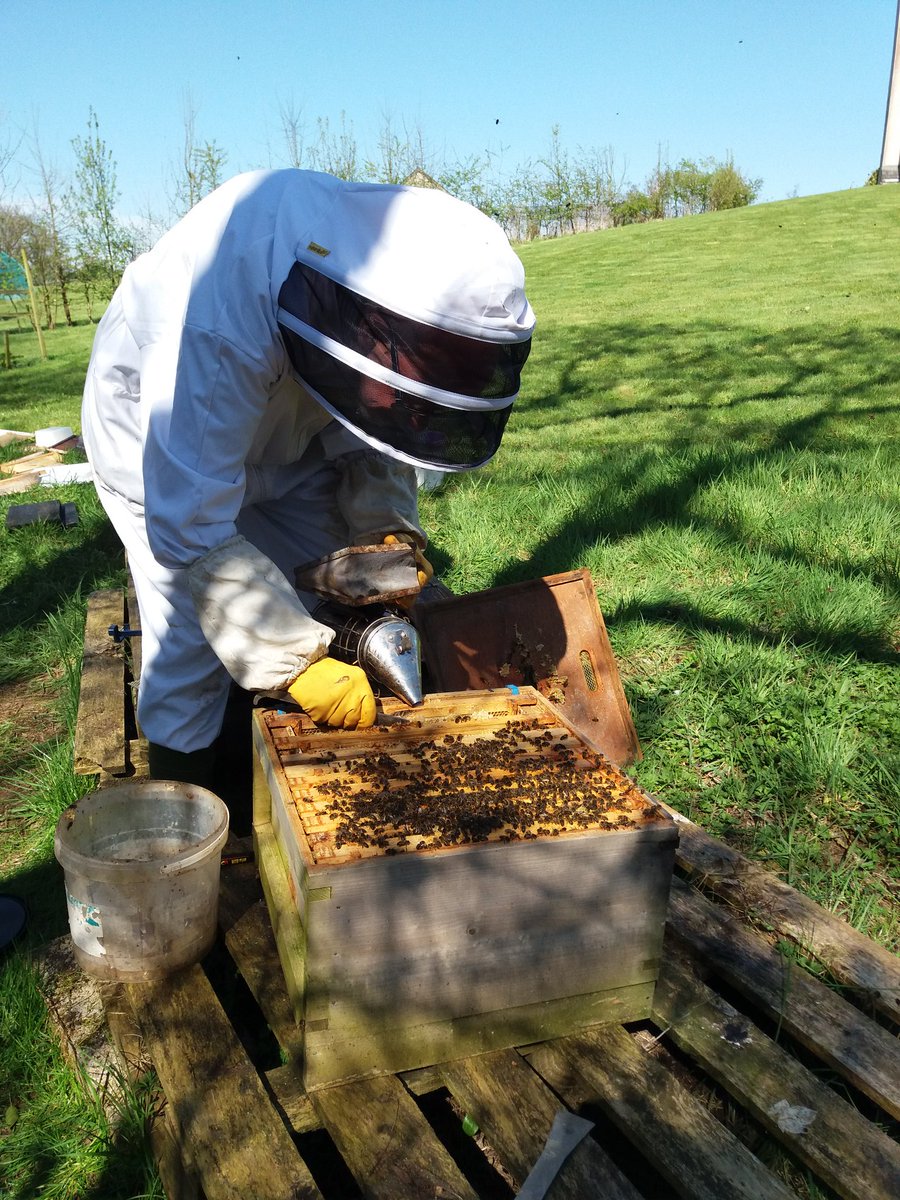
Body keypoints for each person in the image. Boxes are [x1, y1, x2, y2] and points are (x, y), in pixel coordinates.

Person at [81, 169, 535, 787]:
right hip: (157, 442)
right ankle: (185, 812)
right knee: (190, 632)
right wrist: (294, 663)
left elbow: (382, 425)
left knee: (347, 593)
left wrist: (386, 533)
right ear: (376, 331)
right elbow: (191, 520)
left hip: (288, 438)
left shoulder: (366, 298)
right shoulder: (218, 310)